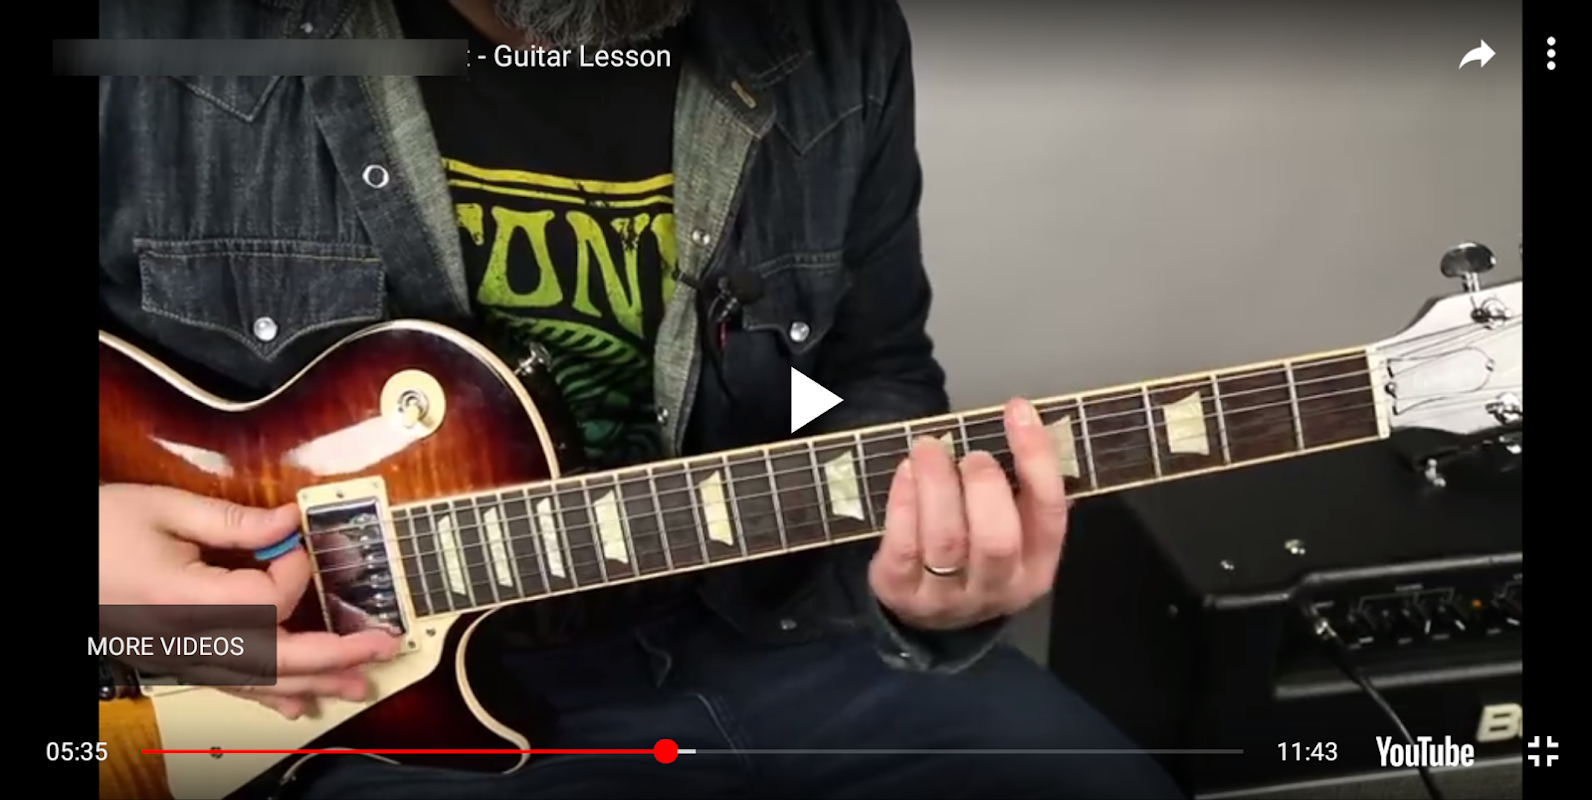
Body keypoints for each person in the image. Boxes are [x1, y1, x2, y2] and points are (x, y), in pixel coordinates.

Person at [98, 0, 1183, 797]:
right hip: (350, 709)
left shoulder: (836, 37)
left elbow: (858, 379)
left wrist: (926, 563)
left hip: (766, 632)